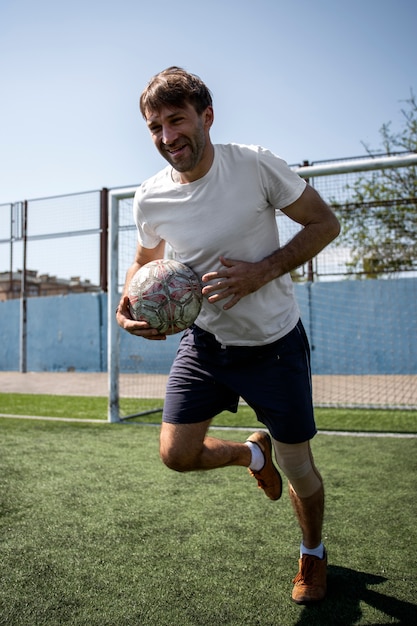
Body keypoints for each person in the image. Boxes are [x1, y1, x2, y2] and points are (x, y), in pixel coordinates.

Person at [116, 66, 340, 604]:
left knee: (300, 469)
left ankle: (313, 552)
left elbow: (324, 223)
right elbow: (144, 264)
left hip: (274, 344)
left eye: (177, 120)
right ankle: (249, 455)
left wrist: (261, 271)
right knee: (176, 454)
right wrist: (128, 309)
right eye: (155, 127)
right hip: (205, 344)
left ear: (206, 117)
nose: (167, 137)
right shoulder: (149, 198)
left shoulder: (256, 165)